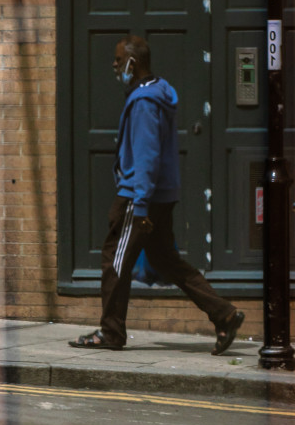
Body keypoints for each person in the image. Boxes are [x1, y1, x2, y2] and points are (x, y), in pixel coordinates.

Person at [70, 35, 244, 355]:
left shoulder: (144, 102)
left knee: (115, 261)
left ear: (133, 64)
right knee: (167, 261)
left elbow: (148, 157)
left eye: (118, 60)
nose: (114, 64)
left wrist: (140, 205)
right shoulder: (158, 93)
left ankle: (111, 331)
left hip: (138, 198)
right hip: (158, 196)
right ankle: (224, 314)